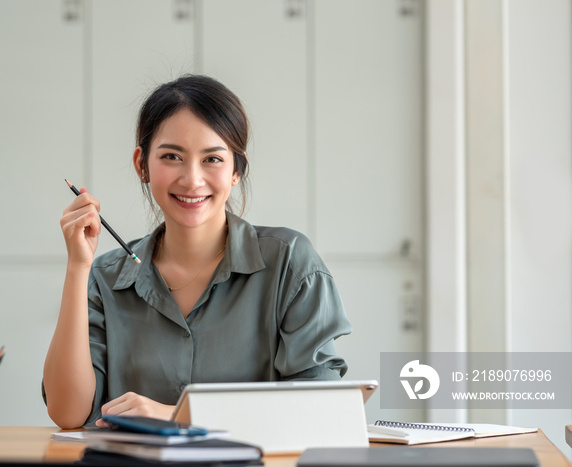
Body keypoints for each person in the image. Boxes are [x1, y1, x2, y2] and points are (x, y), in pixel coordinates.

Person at [43, 74, 351, 429]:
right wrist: (78, 267)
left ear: (237, 169)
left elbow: (321, 406)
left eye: (213, 159)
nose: (192, 179)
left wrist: (180, 416)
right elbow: (68, 413)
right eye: (172, 156)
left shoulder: (290, 263)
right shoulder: (105, 277)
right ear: (141, 164)